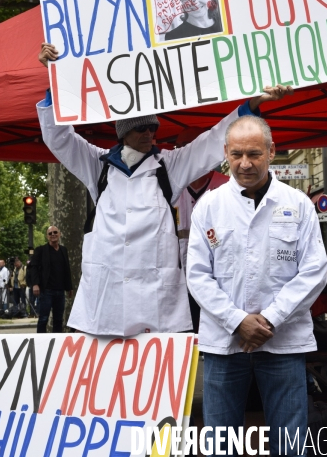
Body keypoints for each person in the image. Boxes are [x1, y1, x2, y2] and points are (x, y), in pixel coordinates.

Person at [37, 42, 292, 337]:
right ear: (124, 133)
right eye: (141, 129)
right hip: (106, 301)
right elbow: (59, 138)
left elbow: (210, 142)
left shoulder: (168, 167)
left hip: (155, 303)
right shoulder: (98, 166)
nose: (149, 134)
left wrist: (253, 105)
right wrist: (55, 78)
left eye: (152, 128)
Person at [186, 115, 327, 456]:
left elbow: (314, 270)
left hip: (283, 341)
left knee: (291, 444)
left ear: (271, 151)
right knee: (221, 444)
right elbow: (197, 275)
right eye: (236, 155)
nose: (244, 163)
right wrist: (237, 320)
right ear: (225, 153)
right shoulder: (209, 205)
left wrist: (271, 319)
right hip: (224, 343)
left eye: (253, 154)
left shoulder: (298, 205)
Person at [175, 127, 229, 332]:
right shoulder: (168, 187)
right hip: (177, 283)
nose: (187, 153)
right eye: (181, 148)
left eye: (192, 147)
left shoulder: (227, 186)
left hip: (219, 282)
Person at [31, 226, 73, 333]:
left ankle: (57, 344)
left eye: (55, 232)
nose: (53, 234)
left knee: (58, 319)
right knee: (43, 318)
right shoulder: (40, 250)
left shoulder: (64, 250)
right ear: (47, 236)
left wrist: (69, 287)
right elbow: (33, 268)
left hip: (60, 290)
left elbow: (66, 269)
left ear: (59, 234)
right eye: (50, 233)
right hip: (46, 291)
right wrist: (35, 284)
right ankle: (40, 342)